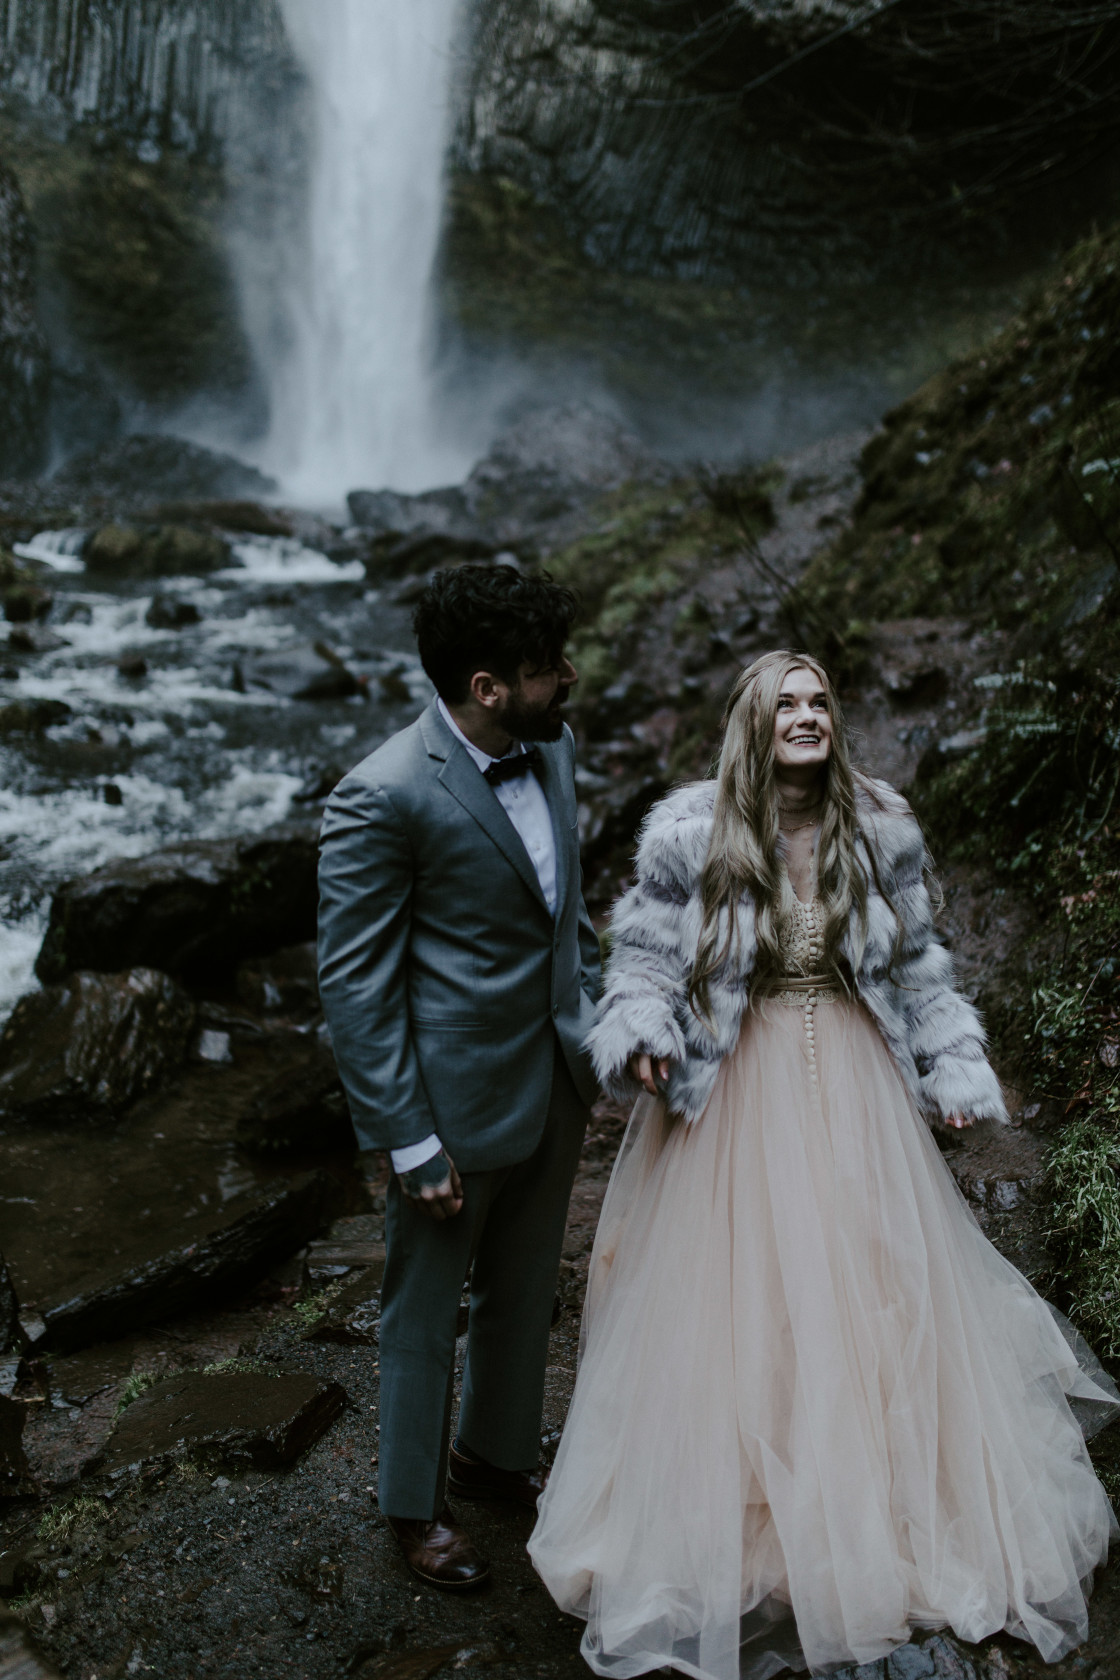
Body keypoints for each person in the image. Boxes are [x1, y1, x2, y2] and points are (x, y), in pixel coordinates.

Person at [529, 649, 1119, 1679]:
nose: (805, 717)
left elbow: (920, 967)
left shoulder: (878, 830)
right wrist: (643, 1034)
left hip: (852, 1085)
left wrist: (954, 1065)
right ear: (751, 725)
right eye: (783, 704)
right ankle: (749, 1528)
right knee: (738, 1310)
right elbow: (643, 968)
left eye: (817, 704)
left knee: (869, 1283)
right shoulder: (689, 835)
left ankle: (878, 1511)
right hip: (732, 1089)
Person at [318, 563, 601, 1591]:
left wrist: (607, 1026)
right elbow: (354, 988)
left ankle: (493, 1458)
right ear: (486, 686)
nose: (565, 678)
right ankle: (412, 1507)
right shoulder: (380, 793)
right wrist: (406, 1137)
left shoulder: (552, 749)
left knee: (526, 1292)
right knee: (423, 1310)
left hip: (553, 1083)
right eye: (543, 669)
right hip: (446, 1103)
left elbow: (563, 915)